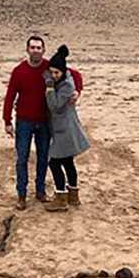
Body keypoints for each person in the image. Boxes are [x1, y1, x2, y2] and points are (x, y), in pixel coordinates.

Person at [2, 35, 83, 210]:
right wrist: (7, 120)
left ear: (43, 50)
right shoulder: (19, 71)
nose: (36, 50)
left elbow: (74, 75)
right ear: (27, 50)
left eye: (39, 48)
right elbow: (10, 96)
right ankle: (21, 195)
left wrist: (77, 91)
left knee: (43, 158)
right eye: (33, 47)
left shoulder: (49, 68)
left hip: (45, 122)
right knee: (22, 158)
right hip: (24, 121)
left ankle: (40, 192)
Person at [42, 45, 90, 212]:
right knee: (68, 162)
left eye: (57, 73)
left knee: (54, 163)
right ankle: (73, 196)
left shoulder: (66, 86)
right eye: (52, 72)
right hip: (64, 128)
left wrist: (49, 88)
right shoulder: (66, 79)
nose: (54, 76)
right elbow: (75, 74)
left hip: (65, 130)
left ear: (63, 71)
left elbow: (55, 106)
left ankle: (61, 197)